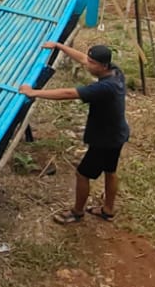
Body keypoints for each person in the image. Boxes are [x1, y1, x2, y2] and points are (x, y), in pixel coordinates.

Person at [19, 41, 128, 223]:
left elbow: (69, 93)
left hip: (104, 139)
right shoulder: (115, 72)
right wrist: (59, 46)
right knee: (110, 170)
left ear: (102, 66)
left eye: (92, 63)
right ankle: (108, 209)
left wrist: (34, 93)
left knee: (82, 174)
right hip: (117, 133)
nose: (87, 64)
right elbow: (82, 58)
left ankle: (77, 213)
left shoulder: (105, 87)